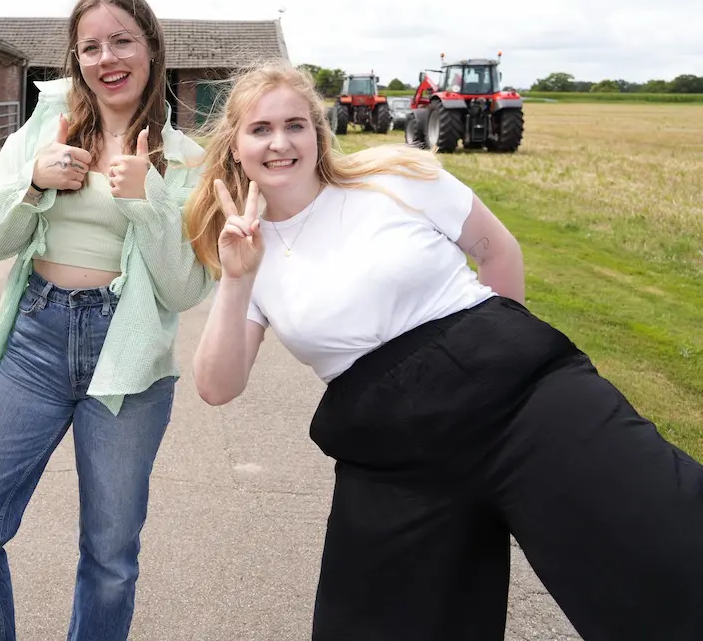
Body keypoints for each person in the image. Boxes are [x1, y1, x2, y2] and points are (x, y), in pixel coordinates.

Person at [183, 59, 703, 640]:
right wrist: (236, 278)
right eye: (260, 129)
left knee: (667, 551)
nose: (280, 143)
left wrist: (492, 359)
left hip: (525, 406)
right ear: (236, 146)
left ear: (318, 132)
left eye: (295, 125)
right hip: (395, 458)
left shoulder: (395, 178)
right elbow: (217, 386)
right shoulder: (246, 248)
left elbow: (497, 251)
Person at [0, 0, 212, 640]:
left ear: (151, 48)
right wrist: (34, 183)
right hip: (37, 344)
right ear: (76, 59)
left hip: (128, 363)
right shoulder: (42, 129)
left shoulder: (188, 160)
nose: (107, 58)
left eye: (122, 41)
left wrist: (148, 200)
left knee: (110, 559)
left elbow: (183, 291)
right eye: (91, 47)